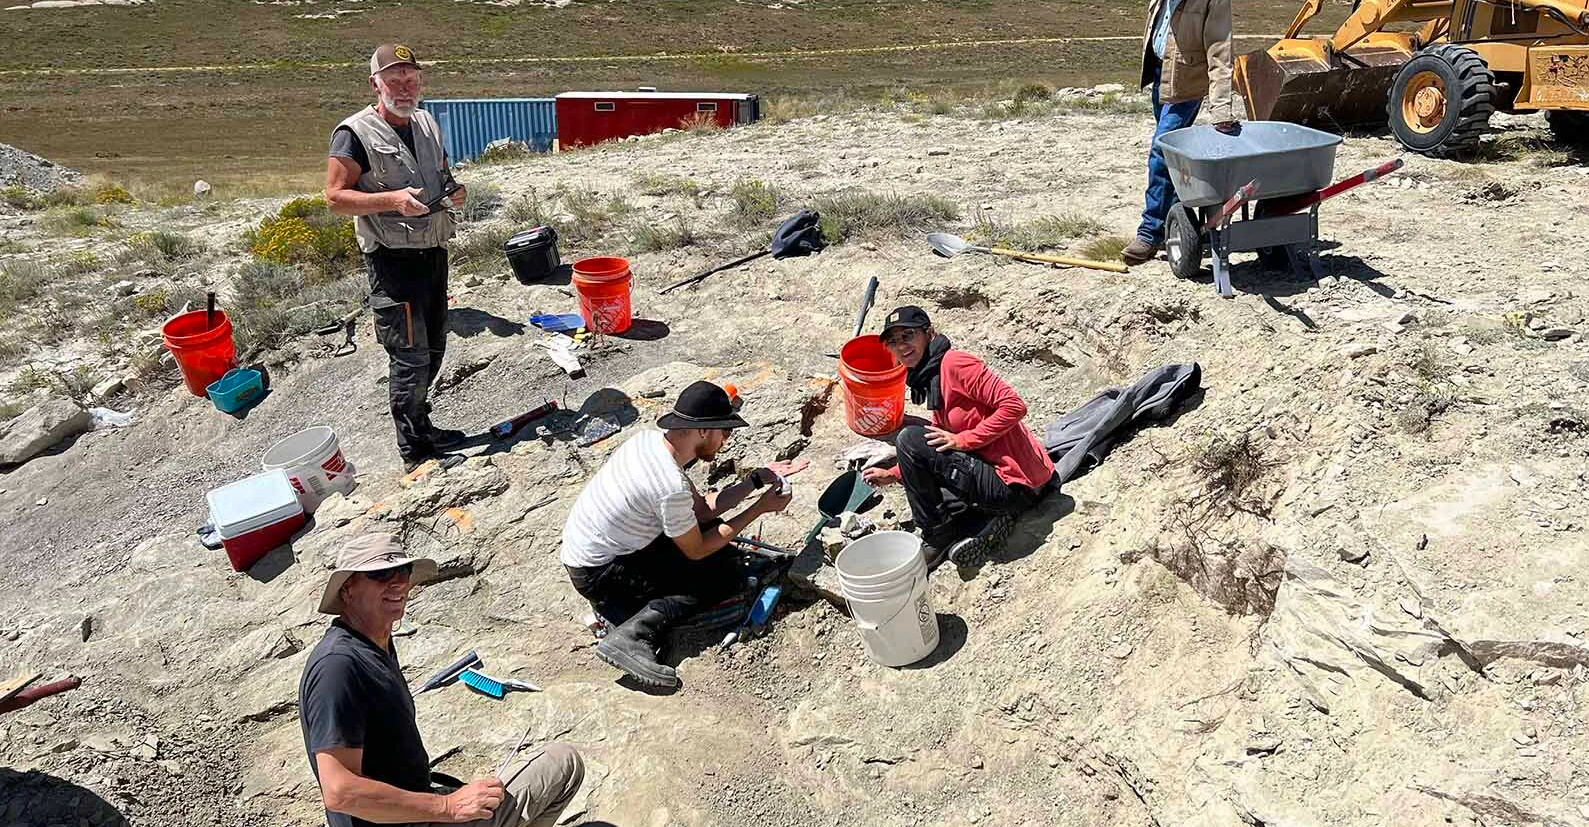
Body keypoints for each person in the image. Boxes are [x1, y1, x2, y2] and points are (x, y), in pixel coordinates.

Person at [299, 533, 584, 827]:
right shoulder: (338, 667)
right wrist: (448, 806)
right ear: (347, 589)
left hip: (416, 807)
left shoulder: (374, 642)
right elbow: (340, 792)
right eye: (380, 574)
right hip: (415, 820)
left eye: (403, 571)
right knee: (563, 762)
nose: (397, 583)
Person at [559, 381, 808, 688]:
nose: (725, 441)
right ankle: (632, 636)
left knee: (718, 546)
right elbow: (698, 550)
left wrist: (756, 479)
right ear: (703, 431)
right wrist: (759, 509)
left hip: (594, 551)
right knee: (719, 578)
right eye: (724, 432)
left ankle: (633, 617)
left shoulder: (648, 441)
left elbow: (702, 511)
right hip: (600, 574)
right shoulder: (669, 485)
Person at [325, 43, 469, 470]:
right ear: (376, 83)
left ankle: (423, 427)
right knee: (408, 357)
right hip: (392, 261)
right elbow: (335, 198)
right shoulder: (353, 133)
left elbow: (440, 172)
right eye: (393, 79)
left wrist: (455, 190)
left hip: (433, 251)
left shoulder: (426, 122)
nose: (403, 87)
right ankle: (415, 453)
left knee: (435, 347)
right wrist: (391, 200)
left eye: (410, 78)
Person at [862, 307, 1059, 570]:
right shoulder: (930, 374)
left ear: (928, 334)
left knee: (909, 438)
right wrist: (895, 474)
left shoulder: (955, 364)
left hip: (1015, 483)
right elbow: (937, 436)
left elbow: (1014, 406)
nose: (901, 346)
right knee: (924, 483)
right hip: (991, 473)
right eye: (893, 342)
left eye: (908, 336)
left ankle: (939, 535)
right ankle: (979, 524)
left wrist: (964, 440)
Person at [1123, 0, 1236, 266]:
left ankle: (1149, 233)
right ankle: (1180, 222)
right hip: (1161, 75)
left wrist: (1221, 110)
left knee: (1160, 151)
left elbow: (1220, 53)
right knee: (1171, 157)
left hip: (1186, 84)